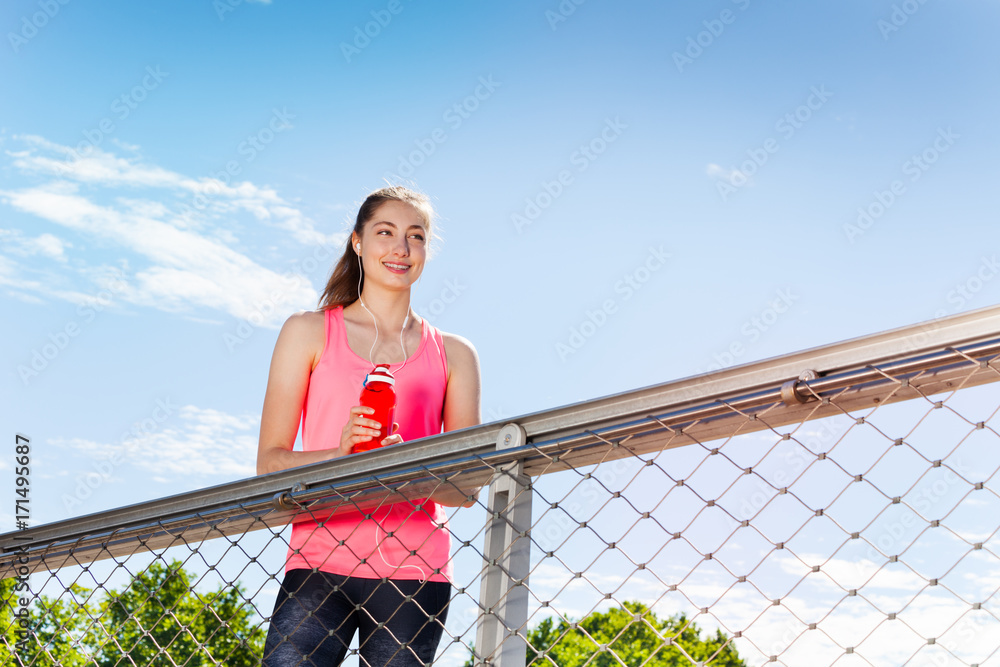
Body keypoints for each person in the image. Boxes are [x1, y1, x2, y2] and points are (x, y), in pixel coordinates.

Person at [256, 185, 482, 666]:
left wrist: (405, 469)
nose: (400, 248)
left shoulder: (456, 354)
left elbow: (466, 488)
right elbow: (270, 463)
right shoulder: (308, 331)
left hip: (415, 570)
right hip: (318, 559)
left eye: (415, 236)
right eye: (385, 232)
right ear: (358, 242)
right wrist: (341, 456)